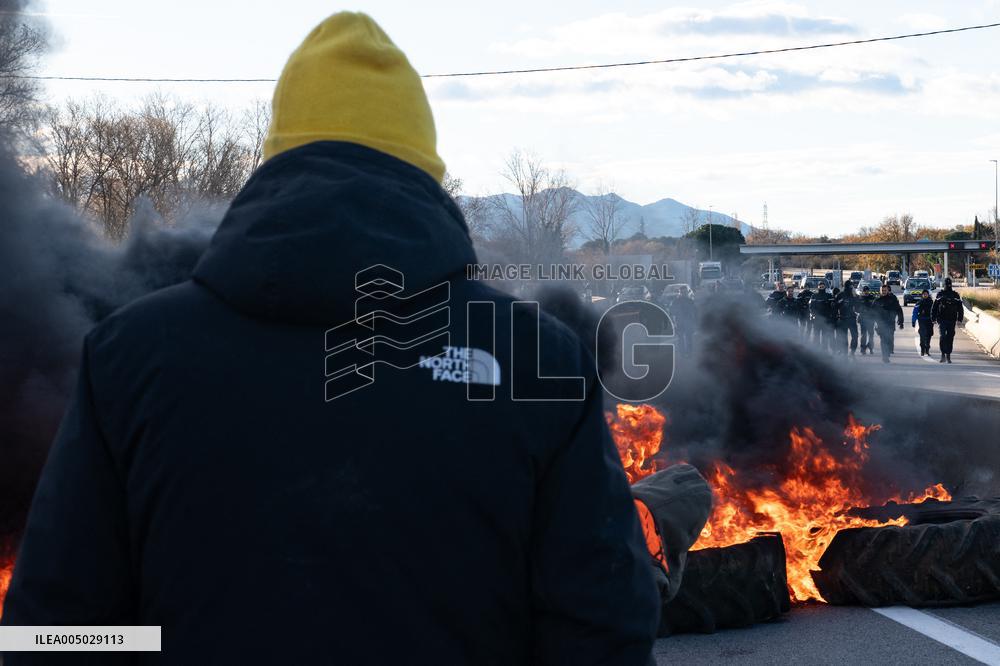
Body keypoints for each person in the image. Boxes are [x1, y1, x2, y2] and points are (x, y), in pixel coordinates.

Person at [1, 13, 660, 665]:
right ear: (422, 169)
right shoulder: (535, 362)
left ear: (279, 159)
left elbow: (58, 633)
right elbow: (599, 633)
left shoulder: (129, 356)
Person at [932, 277, 964, 363]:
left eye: (949, 284)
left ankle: (948, 355)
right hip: (941, 319)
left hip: (952, 320)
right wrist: (933, 318)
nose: (948, 285)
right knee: (942, 336)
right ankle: (943, 354)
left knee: (950, 337)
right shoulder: (940, 294)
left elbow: (960, 308)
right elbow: (934, 307)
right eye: (947, 284)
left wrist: (960, 319)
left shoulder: (955, 295)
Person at [873, 283, 904, 363]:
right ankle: (885, 356)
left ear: (888, 291)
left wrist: (901, 321)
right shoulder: (877, 300)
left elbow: (899, 310)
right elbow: (872, 313)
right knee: (883, 340)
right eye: (882, 290)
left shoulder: (892, 299)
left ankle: (887, 352)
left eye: (885, 290)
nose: (883, 292)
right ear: (880, 291)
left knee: (889, 339)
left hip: (890, 323)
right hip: (881, 324)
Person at [668, 284, 698, 354]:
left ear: (687, 292)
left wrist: (696, 321)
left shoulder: (690, 301)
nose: (684, 294)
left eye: (685, 292)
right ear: (680, 293)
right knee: (681, 338)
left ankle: (689, 352)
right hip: (680, 322)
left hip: (688, 322)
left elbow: (695, 312)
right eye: (683, 292)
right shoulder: (676, 301)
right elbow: (672, 311)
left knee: (688, 337)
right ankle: (682, 352)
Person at [833, 281, 859, 356]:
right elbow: (835, 306)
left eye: (852, 286)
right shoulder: (840, 295)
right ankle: (844, 352)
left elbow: (858, 308)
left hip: (852, 319)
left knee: (855, 336)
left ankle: (852, 350)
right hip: (842, 318)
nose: (851, 288)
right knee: (843, 337)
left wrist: (856, 298)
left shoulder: (854, 295)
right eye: (850, 286)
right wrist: (836, 317)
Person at [809, 281, 835, 351]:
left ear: (825, 287)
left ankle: (824, 351)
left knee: (825, 336)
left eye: (823, 285)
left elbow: (833, 307)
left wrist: (831, 316)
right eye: (820, 285)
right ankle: (816, 351)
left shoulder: (829, 295)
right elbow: (811, 307)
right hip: (817, 319)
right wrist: (813, 315)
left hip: (826, 319)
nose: (821, 287)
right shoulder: (814, 296)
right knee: (816, 336)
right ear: (818, 286)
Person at [912, 289, 934, 356]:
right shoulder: (919, 303)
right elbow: (915, 312)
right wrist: (913, 321)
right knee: (922, 335)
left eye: (926, 294)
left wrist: (936, 319)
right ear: (922, 295)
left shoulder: (931, 302)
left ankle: (927, 349)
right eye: (924, 294)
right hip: (921, 320)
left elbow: (935, 311)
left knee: (929, 335)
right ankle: (922, 350)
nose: (925, 295)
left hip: (930, 321)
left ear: (928, 295)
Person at [857, 284, 877, 355]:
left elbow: (875, 307)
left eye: (867, 291)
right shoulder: (860, 298)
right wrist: (861, 311)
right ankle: (863, 349)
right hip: (863, 319)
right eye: (865, 291)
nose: (866, 292)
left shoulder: (872, 297)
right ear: (862, 291)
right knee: (863, 335)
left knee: (871, 335)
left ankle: (870, 348)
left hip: (871, 319)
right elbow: (856, 308)